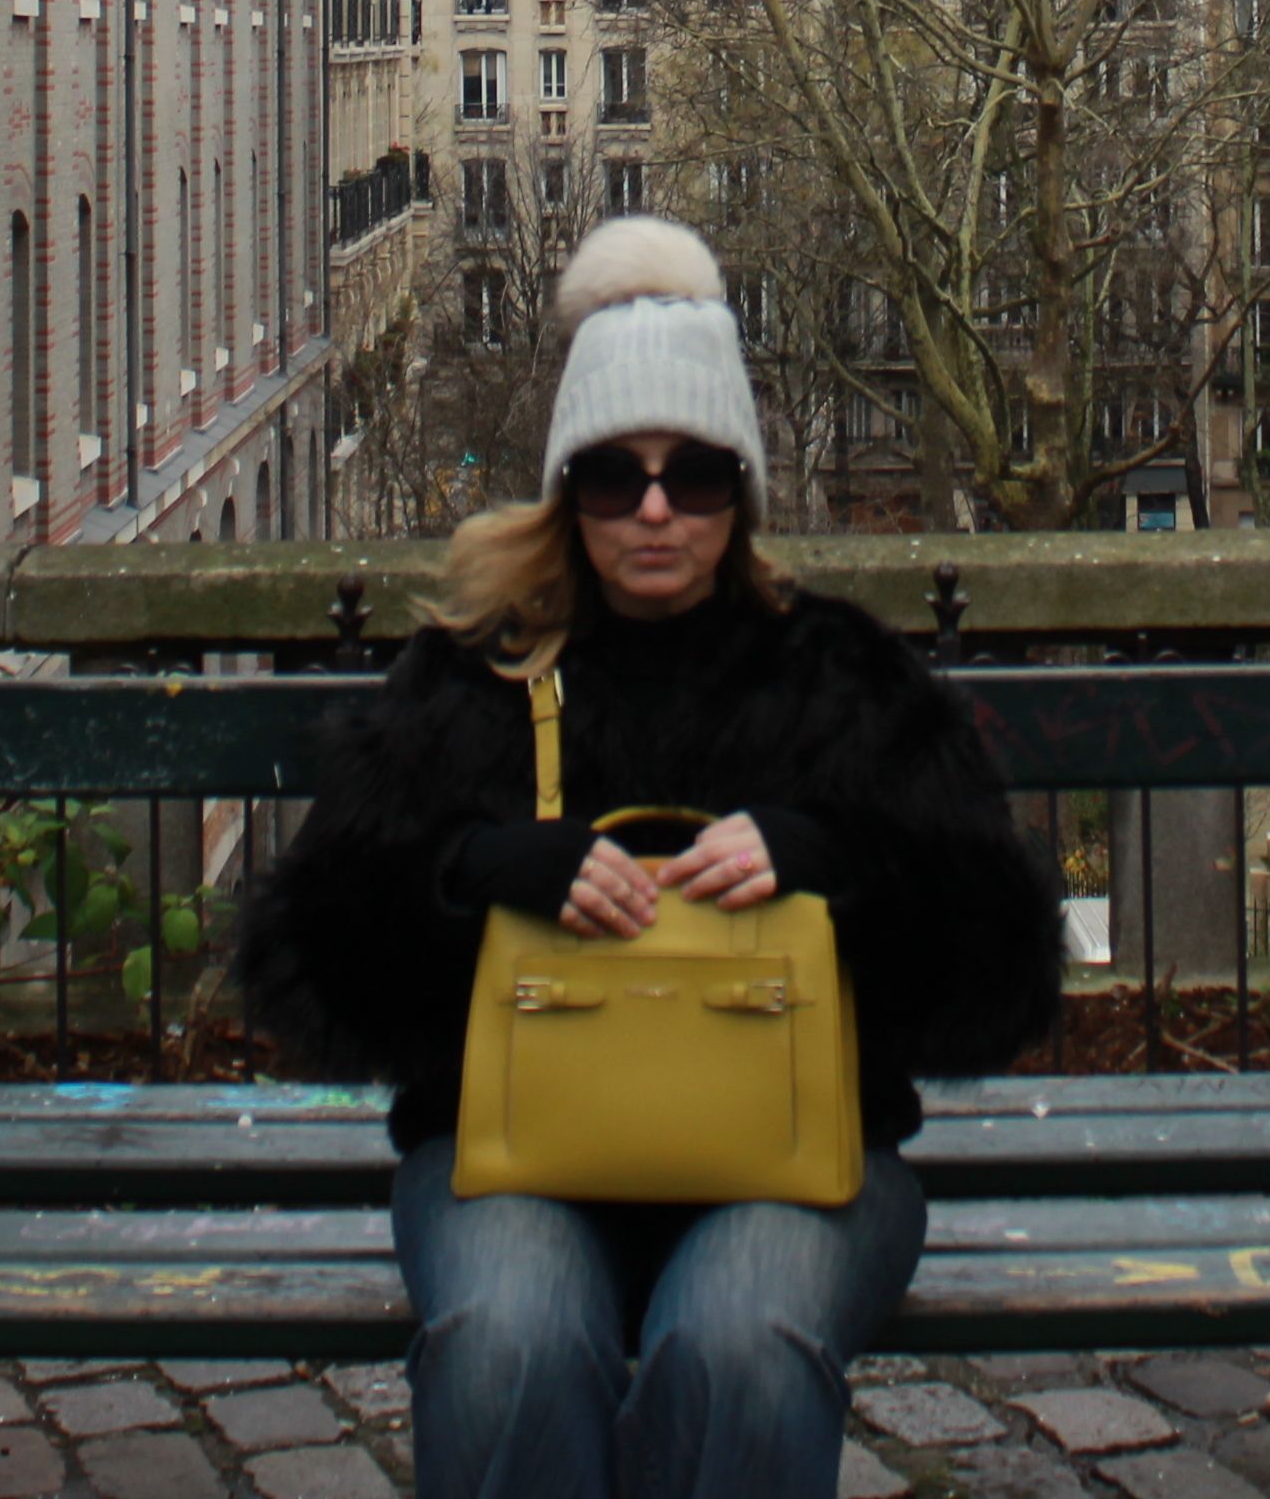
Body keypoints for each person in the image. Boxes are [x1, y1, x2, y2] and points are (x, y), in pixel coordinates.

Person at [239, 216, 1062, 1499]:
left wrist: (834, 862)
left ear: (746, 490)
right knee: (506, 1343)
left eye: (698, 474)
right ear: (567, 491)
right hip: (513, 1156)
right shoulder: (476, 679)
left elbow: (1002, 957)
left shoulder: (837, 675)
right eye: (616, 476)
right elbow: (312, 944)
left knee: (742, 1344)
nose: (658, 509)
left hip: (796, 1158)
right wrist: (480, 872)